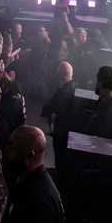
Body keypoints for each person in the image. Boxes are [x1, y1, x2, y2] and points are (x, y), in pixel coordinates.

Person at [40, 62, 75, 195]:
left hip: (61, 132)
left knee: (60, 162)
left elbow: (49, 108)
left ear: (59, 75)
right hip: (71, 132)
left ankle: (60, 191)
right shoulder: (76, 87)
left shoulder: (62, 92)